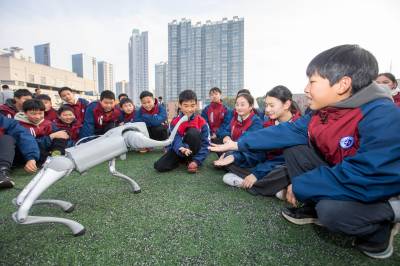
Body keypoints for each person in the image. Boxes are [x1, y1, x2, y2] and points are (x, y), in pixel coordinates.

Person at [209, 44, 400, 259]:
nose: (307, 89)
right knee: (295, 149)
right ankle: (313, 206)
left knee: (332, 213)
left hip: (373, 186)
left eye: (312, 81)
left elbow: (368, 174)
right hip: (339, 174)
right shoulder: (323, 112)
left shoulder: (382, 115)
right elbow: (286, 132)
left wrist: (303, 185)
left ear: (342, 84)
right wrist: (237, 144)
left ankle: (383, 224)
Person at [215, 86, 301, 199]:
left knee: (286, 169)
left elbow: (285, 158)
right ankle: (274, 187)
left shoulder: (299, 126)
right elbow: (257, 151)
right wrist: (233, 156)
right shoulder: (267, 125)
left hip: (280, 166)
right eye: (266, 105)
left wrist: (256, 174)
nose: (267, 110)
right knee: (230, 159)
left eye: (271, 105)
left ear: (286, 104)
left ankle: (247, 183)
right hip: (264, 164)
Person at [154, 90, 210, 173]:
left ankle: (191, 160)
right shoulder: (174, 122)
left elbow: (206, 145)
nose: (189, 109)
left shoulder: (202, 122)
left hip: (194, 153)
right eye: (186, 106)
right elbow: (174, 139)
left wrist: (197, 160)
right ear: (180, 105)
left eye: (192, 105)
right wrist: (181, 149)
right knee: (159, 166)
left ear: (196, 105)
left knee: (193, 132)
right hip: (180, 150)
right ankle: (182, 159)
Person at [14, 99, 69, 163]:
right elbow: (27, 144)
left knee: (61, 133)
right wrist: (51, 137)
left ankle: (57, 154)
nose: (37, 117)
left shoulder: (47, 123)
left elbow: (59, 133)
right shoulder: (18, 125)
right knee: (35, 148)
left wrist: (64, 134)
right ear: (25, 113)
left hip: (48, 146)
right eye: (33, 114)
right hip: (31, 150)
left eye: (40, 113)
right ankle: (49, 160)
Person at [0, 114, 40, 189]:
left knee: (7, 139)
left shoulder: (4, 121)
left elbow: (23, 135)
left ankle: (2, 172)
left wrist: (31, 157)